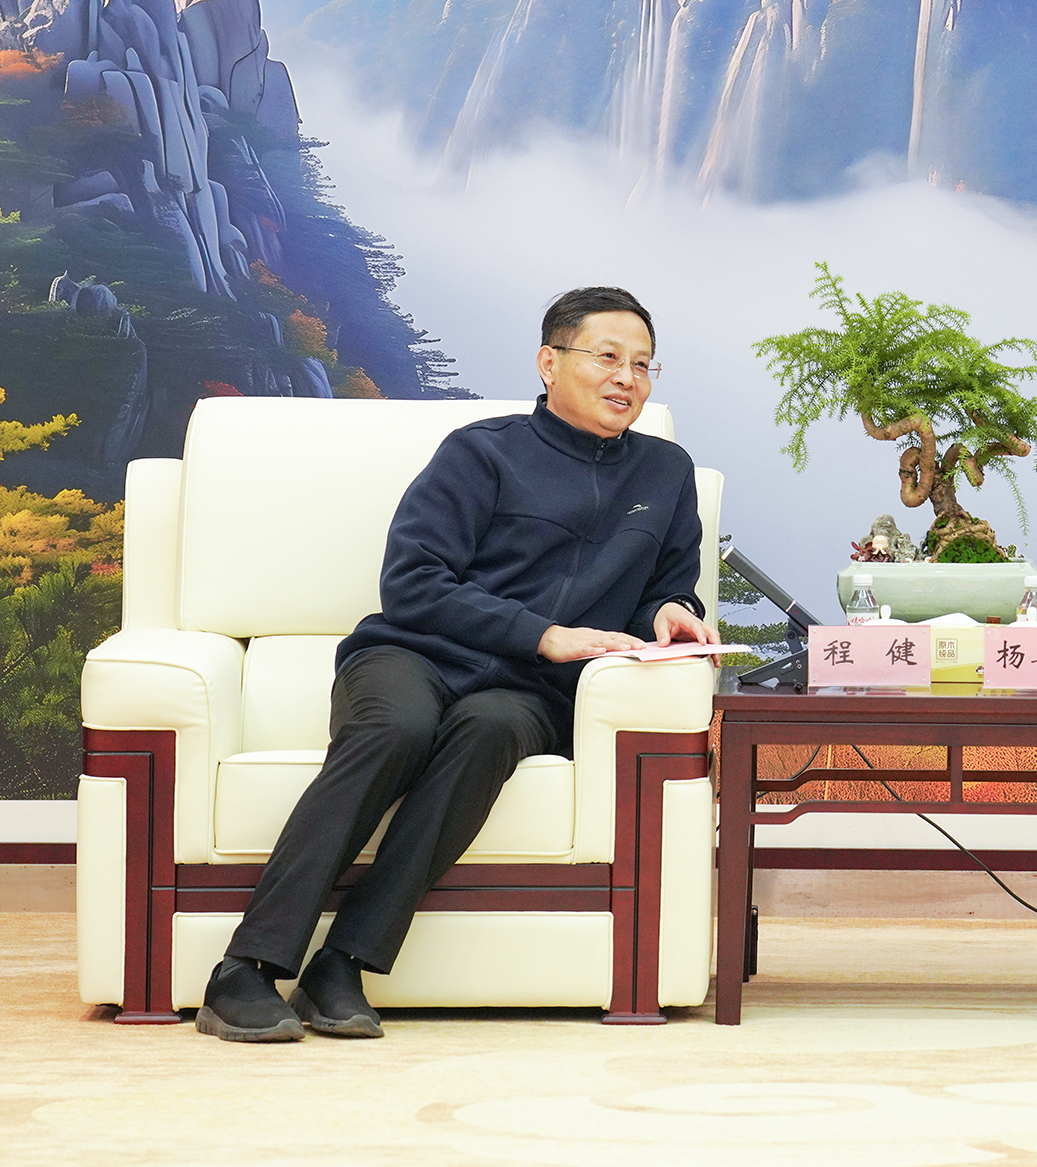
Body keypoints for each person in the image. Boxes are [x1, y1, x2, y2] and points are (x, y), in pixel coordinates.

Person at [197, 286, 718, 1042]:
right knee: (397, 730)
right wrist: (541, 632)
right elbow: (411, 582)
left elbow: (664, 588)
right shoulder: (482, 451)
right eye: (607, 357)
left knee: (488, 732)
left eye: (643, 365)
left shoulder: (665, 472)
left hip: (533, 690)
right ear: (549, 362)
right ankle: (244, 968)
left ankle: (341, 964)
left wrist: (670, 610)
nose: (627, 378)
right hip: (414, 652)